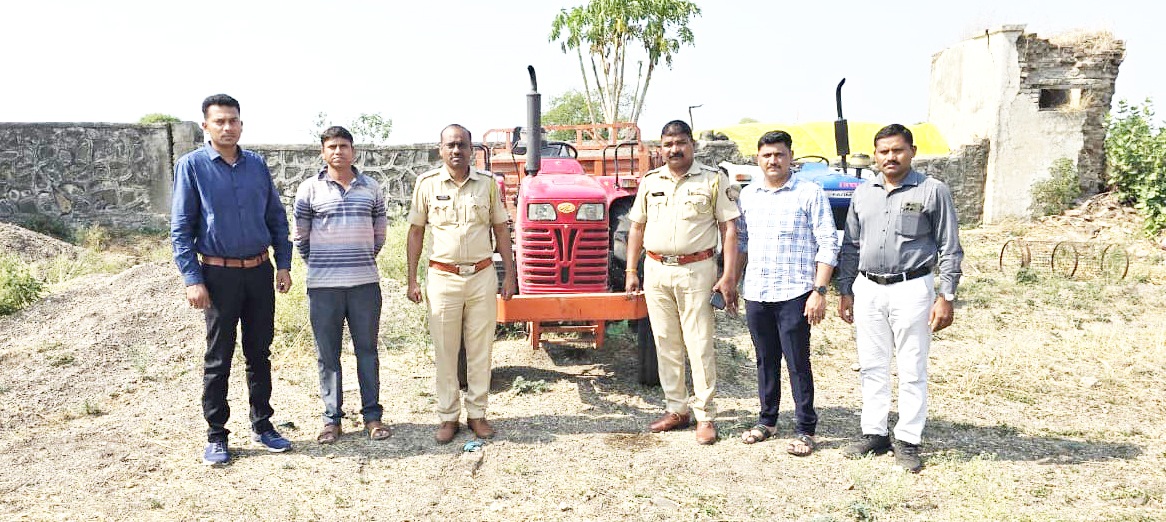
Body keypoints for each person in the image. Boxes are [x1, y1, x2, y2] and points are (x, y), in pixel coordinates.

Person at [170, 94, 293, 465]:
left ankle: (263, 424)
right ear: (205, 125)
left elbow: (276, 217)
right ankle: (216, 434)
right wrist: (193, 278)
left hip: (259, 271)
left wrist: (283, 263)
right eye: (219, 121)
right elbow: (180, 229)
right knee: (218, 357)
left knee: (259, 353)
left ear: (241, 124)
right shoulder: (191, 167)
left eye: (233, 121)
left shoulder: (256, 165)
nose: (227, 127)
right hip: (217, 274)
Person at [836, 123, 963, 473]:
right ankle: (874, 433)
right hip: (868, 288)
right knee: (872, 364)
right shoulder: (863, 193)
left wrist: (946, 294)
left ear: (912, 151)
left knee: (911, 366)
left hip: (913, 288)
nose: (890, 157)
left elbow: (950, 247)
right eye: (883, 151)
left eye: (897, 150)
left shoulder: (932, 191)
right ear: (875, 155)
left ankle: (907, 439)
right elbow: (850, 245)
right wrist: (845, 289)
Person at [625, 120, 739, 445]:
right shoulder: (649, 182)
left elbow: (729, 229)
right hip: (656, 270)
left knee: (699, 343)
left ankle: (705, 415)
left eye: (680, 143)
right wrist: (632, 270)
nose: (674, 149)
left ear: (692, 145)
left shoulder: (713, 180)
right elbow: (636, 227)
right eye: (667, 144)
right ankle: (677, 409)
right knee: (665, 342)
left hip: (697, 270)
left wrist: (728, 275)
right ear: (660, 148)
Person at [406, 124, 517, 444]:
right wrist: (412, 278)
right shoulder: (426, 184)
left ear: (472, 150)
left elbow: (501, 230)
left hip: (481, 275)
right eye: (450, 145)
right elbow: (416, 233)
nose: (456, 151)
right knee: (445, 349)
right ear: (440, 149)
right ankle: (447, 416)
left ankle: (478, 414)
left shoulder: (487, 185)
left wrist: (508, 275)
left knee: (481, 348)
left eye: (462, 145)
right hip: (442, 277)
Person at [735, 130, 838, 456]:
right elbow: (741, 243)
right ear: (757, 159)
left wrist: (819, 291)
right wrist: (733, 283)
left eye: (779, 154)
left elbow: (828, 242)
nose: (773, 160)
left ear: (791, 156)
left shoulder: (809, 193)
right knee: (765, 360)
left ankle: (806, 428)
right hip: (757, 291)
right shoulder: (748, 195)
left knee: (797, 362)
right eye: (767, 155)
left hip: (795, 292)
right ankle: (767, 421)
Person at [293, 126, 390, 444]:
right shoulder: (309, 190)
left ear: (353, 151)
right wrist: (325, 264)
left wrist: (356, 258)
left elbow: (379, 236)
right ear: (323, 152)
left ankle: (372, 417)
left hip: (364, 285)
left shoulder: (372, 188)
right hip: (323, 287)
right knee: (327, 355)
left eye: (344, 146)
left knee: (367, 351)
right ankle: (331, 419)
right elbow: (301, 239)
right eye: (332, 146)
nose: (339, 151)